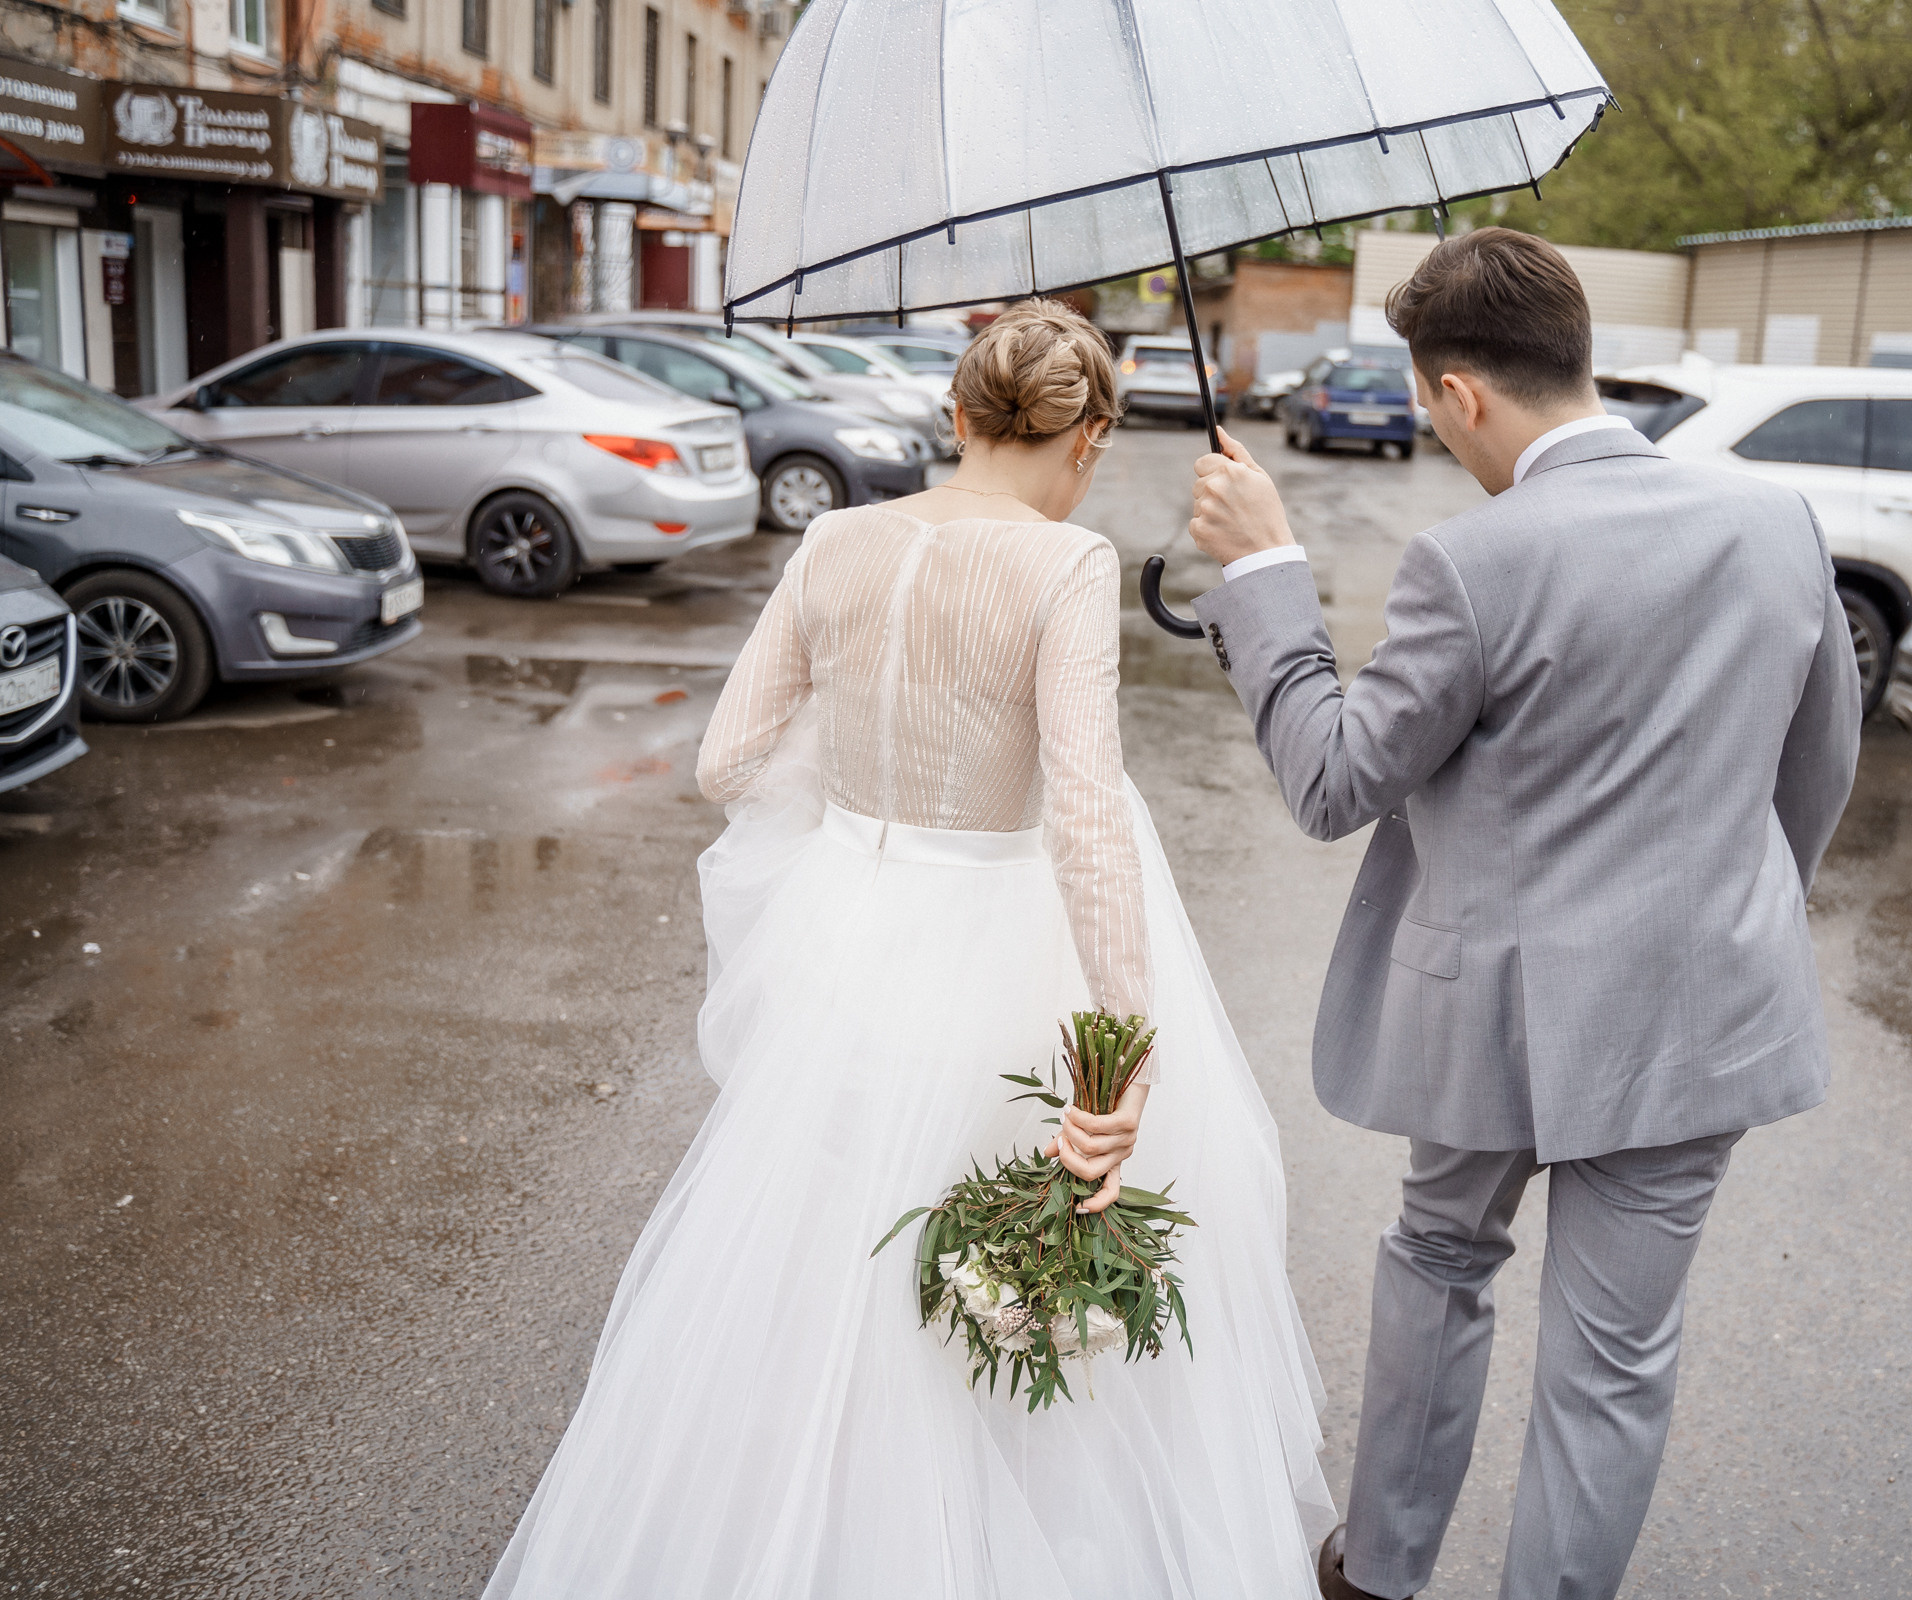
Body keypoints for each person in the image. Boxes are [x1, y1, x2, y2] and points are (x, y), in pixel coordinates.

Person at [484, 301, 1333, 1599]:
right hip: (995, 949)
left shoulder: (834, 540)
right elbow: (1086, 815)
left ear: (954, 415)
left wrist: (865, 804)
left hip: (839, 936)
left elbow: (726, 762)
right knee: (993, 1261)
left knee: (832, 1248)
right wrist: (1128, 1038)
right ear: (1090, 436)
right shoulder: (1065, 563)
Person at [1185, 228, 1861, 1600]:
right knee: (1614, 1369)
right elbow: (1819, 770)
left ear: (1461, 394)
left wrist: (1266, 576)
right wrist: (1731, 928)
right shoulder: (1779, 524)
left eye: (1434, 414)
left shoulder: (1468, 562)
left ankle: (1380, 1572)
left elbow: (1334, 781)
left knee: (1439, 1256)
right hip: (1700, 1016)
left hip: (1491, 1014)